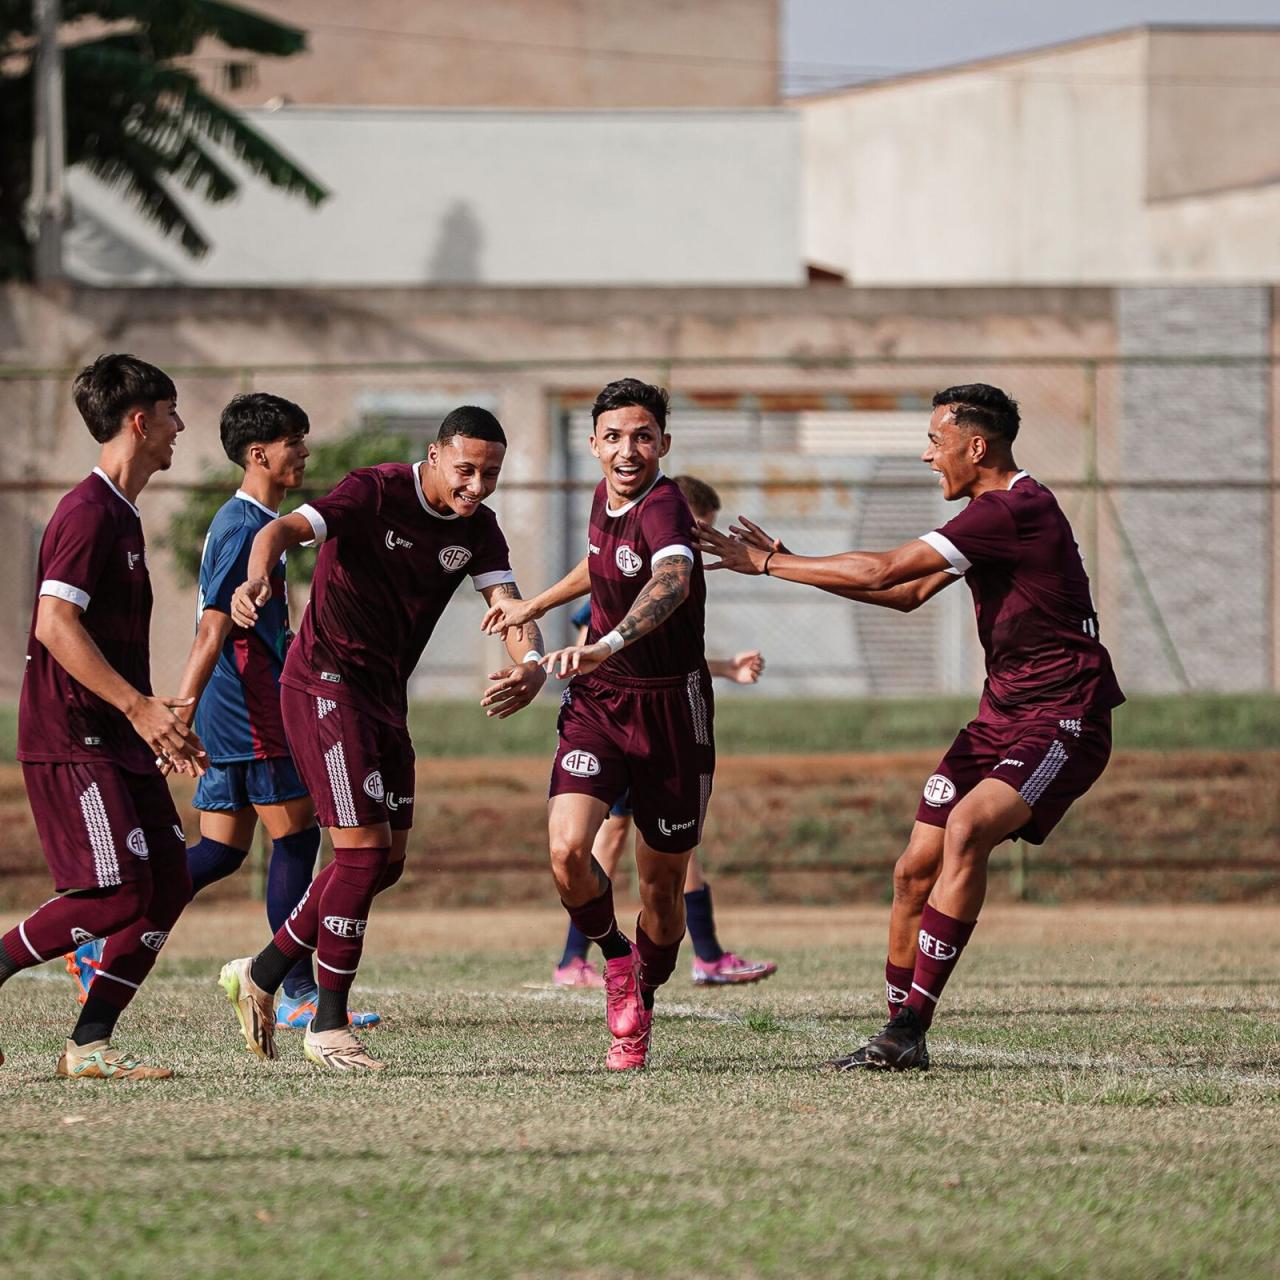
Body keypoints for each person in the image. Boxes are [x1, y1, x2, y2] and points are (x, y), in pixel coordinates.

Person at [696, 384, 1124, 1071]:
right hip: (1000, 717)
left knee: (967, 828)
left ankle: (909, 1029)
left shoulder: (1013, 509)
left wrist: (772, 563)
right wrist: (795, 565)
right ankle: (899, 1031)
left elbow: (886, 568)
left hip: (1063, 716)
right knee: (912, 872)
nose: (929, 455)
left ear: (975, 446)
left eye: (935, 440)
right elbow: (902, 594)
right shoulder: (992, 517)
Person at [219, 406, 546, 1071]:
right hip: (323, 686)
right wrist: (256, 579)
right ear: (433, 455)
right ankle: (327, 1025)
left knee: (384, 863)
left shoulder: (479, 530)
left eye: (490, 474)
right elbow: (282, 530)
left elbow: (509, 607)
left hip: (383, 701)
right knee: (360, 854)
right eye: (465, 470)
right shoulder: (374, 490)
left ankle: (261, 970)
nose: (477, 486)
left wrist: (532, 663)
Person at [66, 393, 379, 1031]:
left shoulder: (252, 519)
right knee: (297, 836)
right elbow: (212, 629)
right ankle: (291, 989)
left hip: (232, 702)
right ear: (260, 453)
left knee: (222, 849)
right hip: (248, 703)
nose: (306, 451)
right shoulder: (243, 527)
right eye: (296, 440)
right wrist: (175, 713)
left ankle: (100, 935)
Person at [483, 378, 714, 1071]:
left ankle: (641, 995)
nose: (627, 449)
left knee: (662, 892)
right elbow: (601, 563)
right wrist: (534, 607)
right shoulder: (603, 496)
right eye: (613, 436)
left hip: (674, 711)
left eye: (642, 436)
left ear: (663, 444)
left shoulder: (668, 507)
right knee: (566, 853)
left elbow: (669, 582)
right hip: (601, 704)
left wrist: (607, 641)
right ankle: (616, 958)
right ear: (593, 444)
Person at [0, 354, 207, 1079]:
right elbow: (56, 626)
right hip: (71, 733)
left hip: (113, 732)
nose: (180, 427)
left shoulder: (122, 515)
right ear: (140, 421)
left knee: (170, 883)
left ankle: (88, 1046)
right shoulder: (86, 513)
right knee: (118, 892)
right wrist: (138, 707)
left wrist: (154, 721)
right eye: (172, 413)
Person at [552, 474, 775, 990]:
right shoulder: (630, 573)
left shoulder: (678, 572)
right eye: (697, 529)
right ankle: (580, 959)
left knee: (668, 849)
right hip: (613, 717)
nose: (698, 541)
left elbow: (671, 653)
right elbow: (601, 640)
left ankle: (701, 955)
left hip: (665, 713)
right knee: (599, 844)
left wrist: (723, 669)